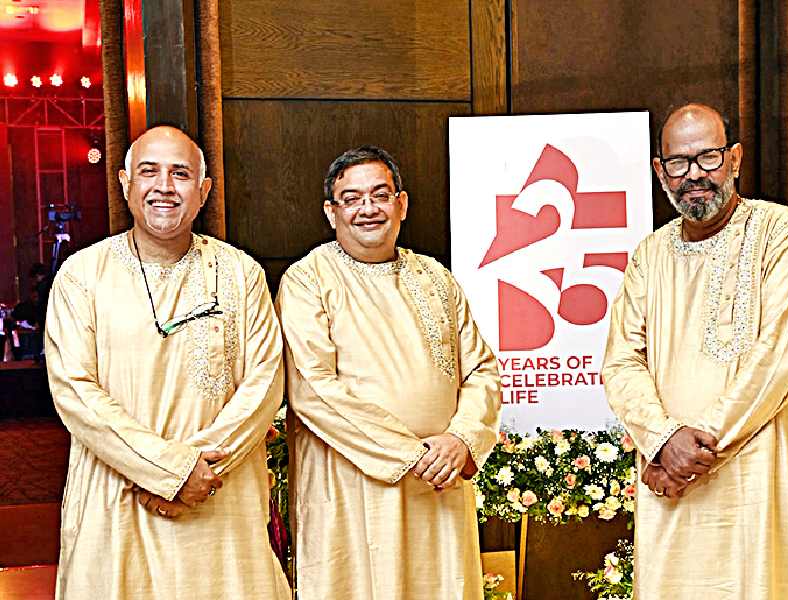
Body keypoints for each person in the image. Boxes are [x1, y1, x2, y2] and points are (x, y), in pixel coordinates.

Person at [44, 125, 291, 599]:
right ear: (124, 184)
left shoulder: (241, 274)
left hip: (220, 497)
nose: (164, 186)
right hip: (120, 497)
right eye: (148, 172)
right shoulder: (82, 276)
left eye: (180, 174)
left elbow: (264, 385)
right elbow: (76, 391)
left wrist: (196, 475)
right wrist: (170, 471)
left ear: (203, 191)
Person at [603, 103, 788, 599]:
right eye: (679, 163)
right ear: (659, 171)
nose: (695, 176)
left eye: (707, 158)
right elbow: (622, 362)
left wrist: (693, 448)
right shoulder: (650, 255)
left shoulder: (784, 233)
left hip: (760, 483)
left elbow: (779, 359)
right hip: (674, 489)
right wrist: (664, 439)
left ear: (734, 159)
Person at [276, 145, 501, 599]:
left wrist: (461, 439)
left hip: (440, 481)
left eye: (380, 195)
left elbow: (480, 369)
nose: (367, 209)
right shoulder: (308, 280)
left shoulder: (435, 277)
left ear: (402, 204)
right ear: (330, 210)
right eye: (352, 198)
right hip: (352, 484)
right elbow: (312, 389)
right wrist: (409, 454)